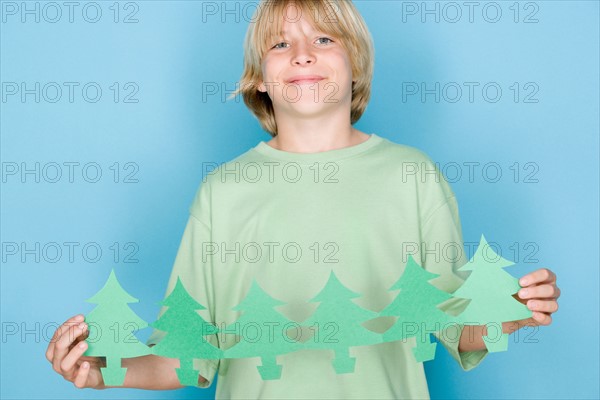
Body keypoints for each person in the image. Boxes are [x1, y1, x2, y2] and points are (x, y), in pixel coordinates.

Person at [46, 0, 561, 398]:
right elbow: (189, 355)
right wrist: (102, 372)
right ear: (259, 80)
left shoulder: (414, 176)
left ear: (356, 64)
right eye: (279, 45)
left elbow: (456, 329)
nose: (302, 54)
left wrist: (511, 313)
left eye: (322, 37)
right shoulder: (223, 192)